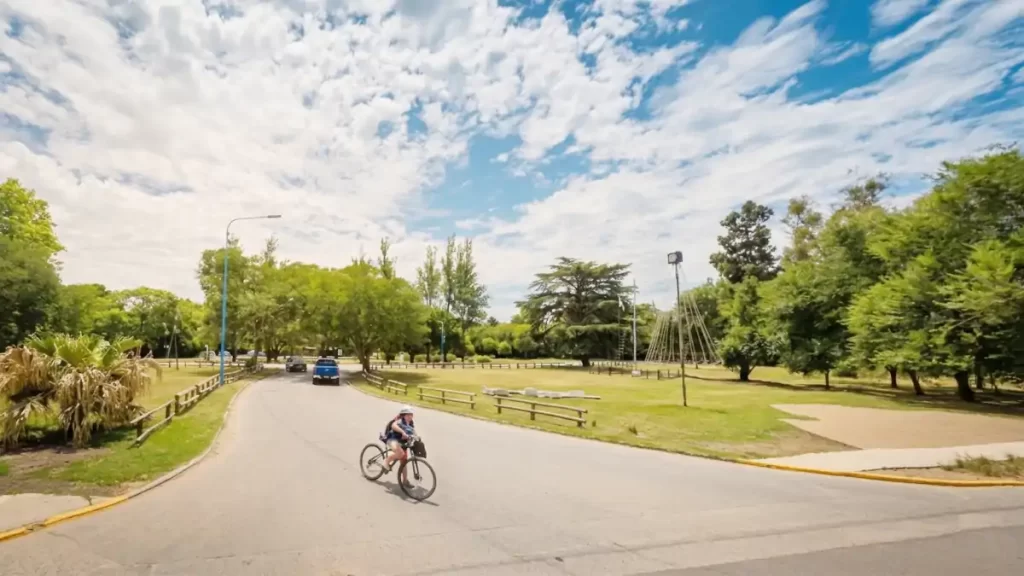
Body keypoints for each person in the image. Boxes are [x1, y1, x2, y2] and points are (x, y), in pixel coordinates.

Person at [383, 406, 416, 487]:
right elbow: (393, 426)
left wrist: (416, 437)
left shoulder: (411, 423)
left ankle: (404, 481)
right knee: (400, 453)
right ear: (403, 415)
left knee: (404, 462)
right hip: (392, 440)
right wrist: (402, 432)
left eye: (411, 415)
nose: (410, 416)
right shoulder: (400, 421)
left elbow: (413, 432)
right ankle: (386, 462)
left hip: (402, 443)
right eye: (408, 415)